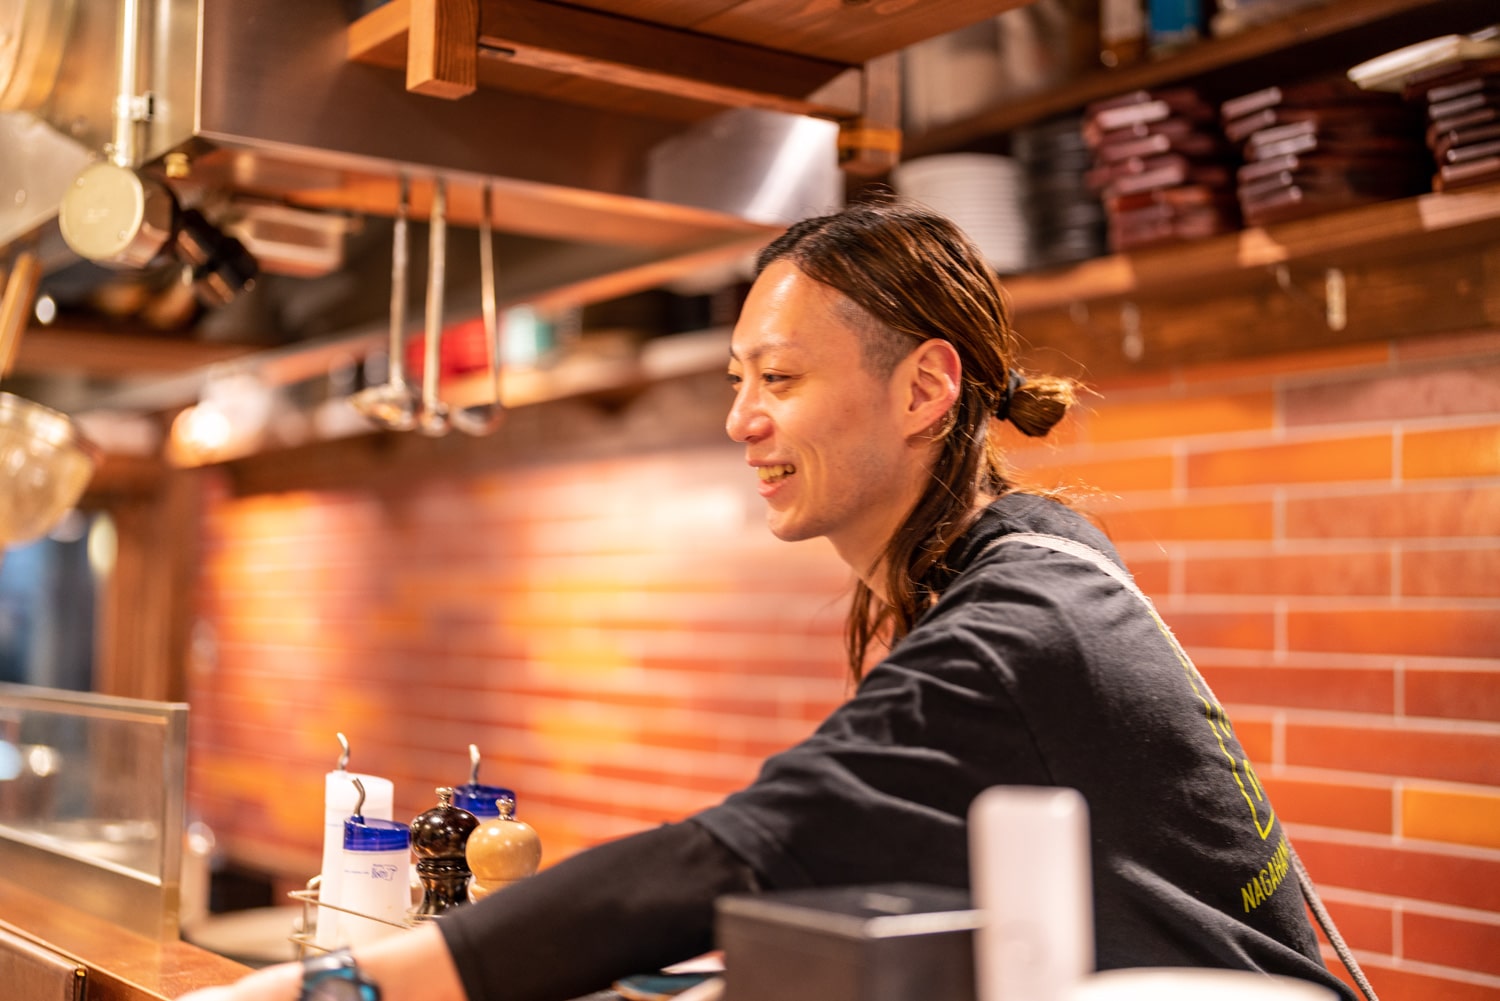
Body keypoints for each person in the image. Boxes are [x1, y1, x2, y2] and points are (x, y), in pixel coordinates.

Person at [183, 200, 1351, 1001]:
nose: (743, 419)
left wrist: (338, 983)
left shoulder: (1014, 628)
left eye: (780, 379)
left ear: (924, 386)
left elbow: (738, 851)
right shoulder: (1026, 563)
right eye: (739, 378)